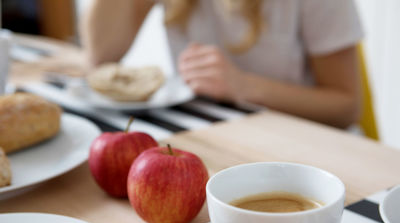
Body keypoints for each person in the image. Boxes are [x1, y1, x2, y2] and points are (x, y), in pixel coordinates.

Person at [81, 0, 363, 129]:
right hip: (214, 136)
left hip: (300, 143)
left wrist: (244, 86)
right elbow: (100, 56)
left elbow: (347, 107)